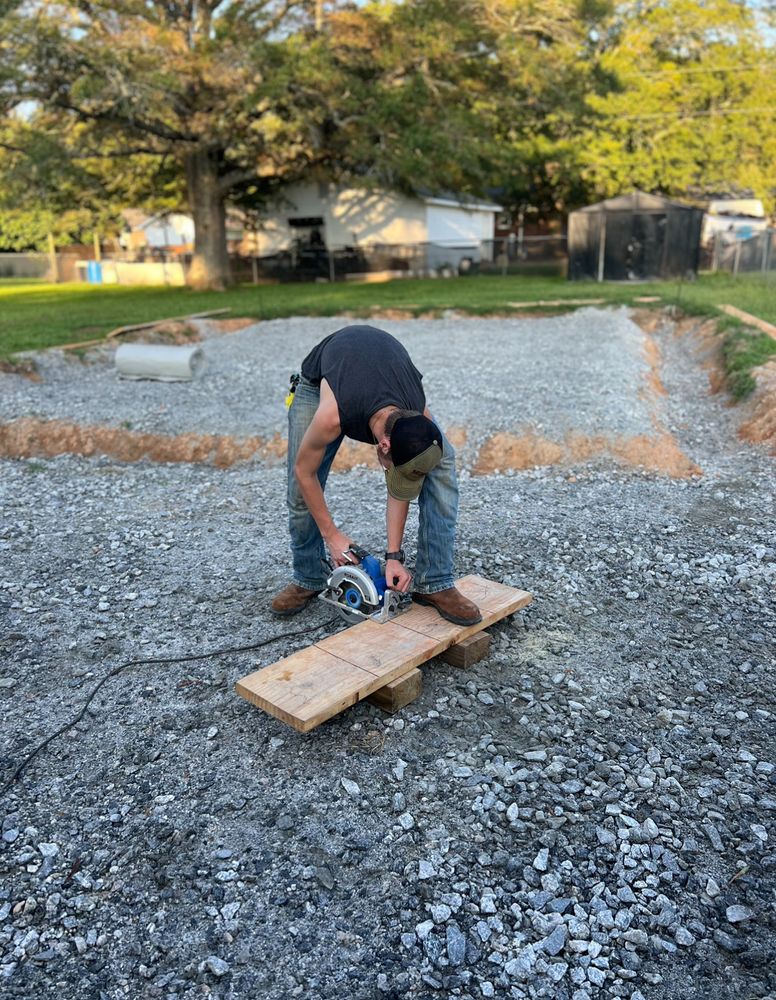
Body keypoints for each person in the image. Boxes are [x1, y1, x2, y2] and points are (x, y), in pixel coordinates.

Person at [271, 324, 482, 626]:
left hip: (382, 373)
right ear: (383, 445)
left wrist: (393, 556)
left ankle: (435, 581)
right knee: (300, 488)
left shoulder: (415, 408)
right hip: (319, 385)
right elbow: (304, 472)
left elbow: (405, 480)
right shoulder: (332, 416)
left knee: (441, 462)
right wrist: (332, 536)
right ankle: (309, 576)